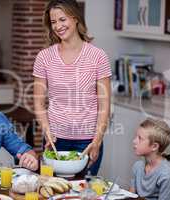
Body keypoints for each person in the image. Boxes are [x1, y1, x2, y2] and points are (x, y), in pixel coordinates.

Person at [33, 0, 111, 175]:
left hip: (88, 141)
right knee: (53, 189)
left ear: (75, 18)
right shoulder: (44, 57)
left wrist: (97, 140)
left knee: (83, 191)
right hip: (55, 141)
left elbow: (104, 105)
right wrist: (47, 131)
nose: (58, 26)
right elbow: (38, 103)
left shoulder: (98, 56)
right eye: (53, 22)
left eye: (62, 19)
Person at [130, 118, 170, 200]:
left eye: (140, 138)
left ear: (154, 146)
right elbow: (131, 195)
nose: (134, 141)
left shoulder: (167, 175)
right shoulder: (138, 166)